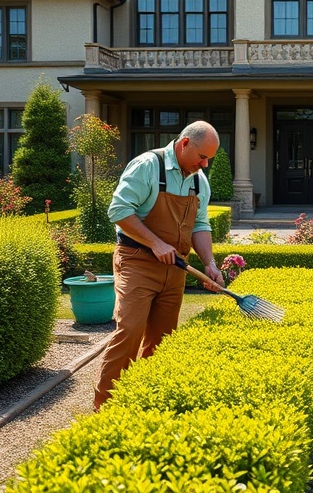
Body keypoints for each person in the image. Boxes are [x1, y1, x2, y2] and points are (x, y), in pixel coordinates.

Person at [94, 120, 225, 410]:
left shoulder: (198, 180)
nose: (204, 165)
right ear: (184, 144)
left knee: (162, 340)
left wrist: (210, 264)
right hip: (137, 262)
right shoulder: (147, 166)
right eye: (202, 157)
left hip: (175, 268)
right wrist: (155, 243)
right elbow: (118, 210)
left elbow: (200, 224)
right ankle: (104, 407)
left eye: (208, 160)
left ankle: (144, 404)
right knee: (129, 330)